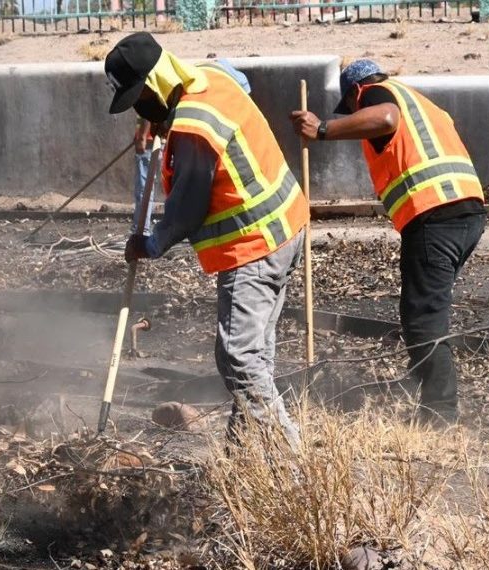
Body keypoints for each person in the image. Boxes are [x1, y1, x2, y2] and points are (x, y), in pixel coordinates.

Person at [106, 33, 310, 446]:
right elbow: (238, 83)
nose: (140, 109)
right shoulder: (213, 77)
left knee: (237, 356)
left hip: (252, 246)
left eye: (140, 99)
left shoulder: (194, 127)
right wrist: (159, 118)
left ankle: (293, 462)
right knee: (256, 355)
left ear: (156, 82)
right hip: (286, 226)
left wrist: (148, 244)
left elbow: (187, 208)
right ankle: (243, 455)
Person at [291, 60, 486, 426]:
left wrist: (322, 129)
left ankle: (439, 415)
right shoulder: (423, 103)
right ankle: (429, 391)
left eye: (351, 108)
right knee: (429, 312)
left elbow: (384, 120)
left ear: (354, 93)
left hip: (434, 216)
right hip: (467, 214)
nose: (354, 115)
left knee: (423, 319)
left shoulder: (375, 94)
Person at [129, 59, 251, 235]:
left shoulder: (162, 93)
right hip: (157, 140)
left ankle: (142, 230)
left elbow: (151, 115)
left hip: (151, 144)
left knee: (147, 191)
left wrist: (142, 137)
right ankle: (143, 230)